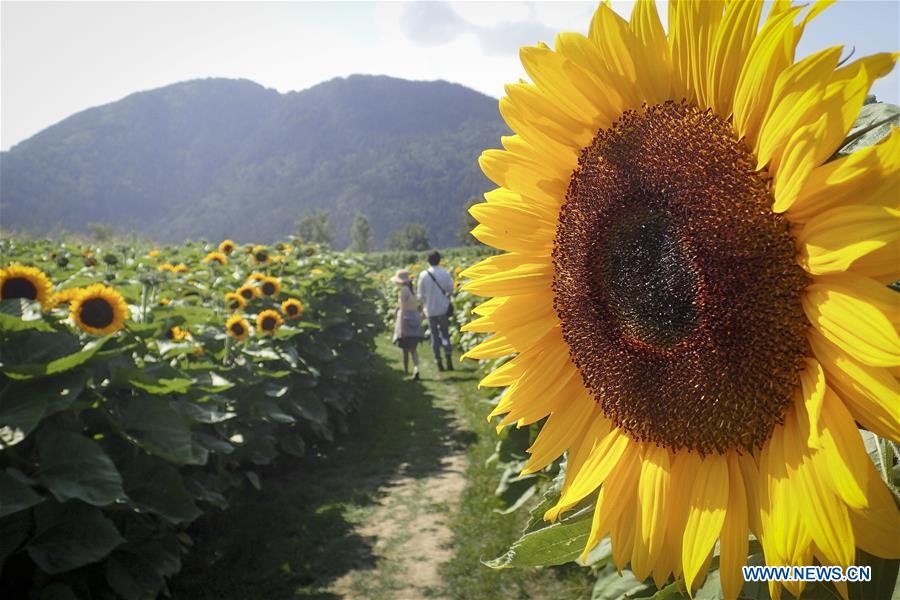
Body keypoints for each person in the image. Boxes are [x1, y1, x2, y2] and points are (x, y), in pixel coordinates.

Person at [417, 250, 454, 371]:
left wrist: (424, 305)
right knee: (445, 334)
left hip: (430, 310)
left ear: (428, 261)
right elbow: (450, 290)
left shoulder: (423, 275)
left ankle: (438, 361)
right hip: (443, 308)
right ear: (439, 260)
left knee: (434, 336)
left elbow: (420, 295)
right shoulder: (445, 273)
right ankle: (448, 356)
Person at [390, 269, 425, 380]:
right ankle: (416, 368)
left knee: (405, 349)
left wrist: (401, 329)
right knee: (413, 348)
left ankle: (406, 370)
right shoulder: (413, 289)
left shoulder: (403, 291)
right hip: (415, 317)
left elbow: (402, 310)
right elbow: (419, 305)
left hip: (406, 319)